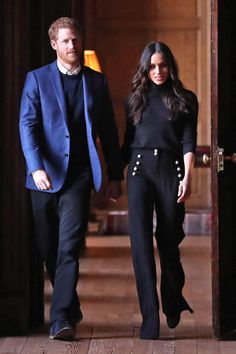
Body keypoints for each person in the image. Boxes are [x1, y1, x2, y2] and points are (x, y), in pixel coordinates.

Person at [19, 17, 123, 340]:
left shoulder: (96, 82)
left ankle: (61, 319)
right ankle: (71, 302)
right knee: (48, 246)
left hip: (79, 175)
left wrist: (115, 175)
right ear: (54, 45)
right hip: (44, 177)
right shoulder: (36, 79)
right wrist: (36, 167)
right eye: (65, 41)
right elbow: (28, 126)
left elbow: (108, 129)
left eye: (75, 40)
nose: (72, 46)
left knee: (68, 247)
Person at [121, 42, 198, 340]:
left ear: (170, 66)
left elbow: (189, 141)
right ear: (144, 68)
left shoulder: (186, 99)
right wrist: (113, 175)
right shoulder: (134, 100)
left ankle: (173, 297)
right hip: (139, 172)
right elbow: (127, 143)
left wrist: (187, 177)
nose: (157, 71)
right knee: (140, 246)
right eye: (151, 66)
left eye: (162, 65)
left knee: (169, 240)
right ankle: (149, 320)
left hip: (171, 169)